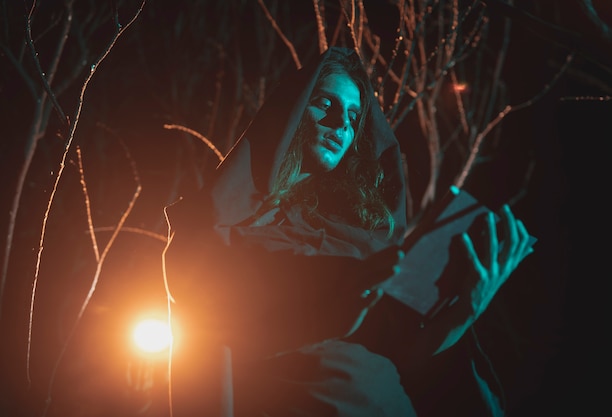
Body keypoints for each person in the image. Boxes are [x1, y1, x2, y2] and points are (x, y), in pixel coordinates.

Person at [164, 46, 534, 417]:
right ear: (290, 112)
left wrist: (467, 307)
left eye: (354, 115)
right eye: (325, 103)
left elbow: (406, 357)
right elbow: (209, 346)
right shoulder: (217, 230)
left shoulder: (357, 238)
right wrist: (341, 303)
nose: (340, 123)